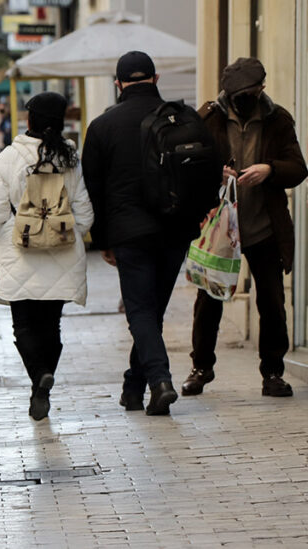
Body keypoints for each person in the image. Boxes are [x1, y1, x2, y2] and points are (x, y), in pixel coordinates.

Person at [82, 51, 199, 416]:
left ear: (118, 84)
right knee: (151, 311)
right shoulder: (183, 118)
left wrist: (102, 241)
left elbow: (93, 189)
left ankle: (159, 380)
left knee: (141, 312)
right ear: (156, 78)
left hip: (129, 233)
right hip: (176, 230)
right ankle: (135, 387)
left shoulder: (103, 127)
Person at [184, 58, 307, 398]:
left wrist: (270, 169)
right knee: (209, 299)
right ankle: (201, 368)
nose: (244, 99)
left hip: (263, 226)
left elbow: (298, 167)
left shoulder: (277, 119)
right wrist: (214, 173)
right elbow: (189, 164)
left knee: (271, 302)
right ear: (228, 93)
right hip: (221, 227)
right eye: (238, 94)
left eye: (251, 93)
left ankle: (273, 373)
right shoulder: (208, 117)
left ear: (261, 90)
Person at [0, 92, 93, 421]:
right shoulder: (70, 157)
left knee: (24, 327)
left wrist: (12, 233)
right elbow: (84, 212)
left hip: (20, 254)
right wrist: (63, 232)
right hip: (62, 253)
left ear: (28, 121)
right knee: (52, 327)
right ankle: (42, 382)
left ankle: (39, 376)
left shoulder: (8, 158)